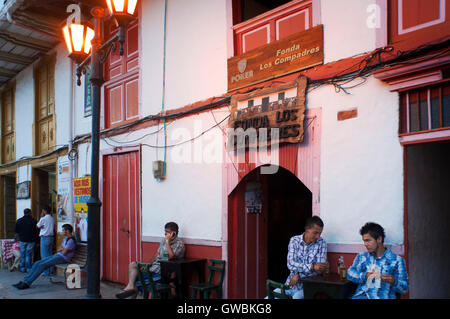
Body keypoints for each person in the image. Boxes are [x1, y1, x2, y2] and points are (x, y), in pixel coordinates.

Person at [115, 222, 186, 299]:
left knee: (136, 281)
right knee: (133, 265)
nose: (165, 234)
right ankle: (130, 285)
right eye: (165, 232)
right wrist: (147, 265)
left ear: (174, 233)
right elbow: (157, 254)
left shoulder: (179, 244)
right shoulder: (163, 241)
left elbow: (171, 256)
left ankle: (131, 287)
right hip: (152, 268)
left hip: (160, 273)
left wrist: (168, 242)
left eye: (167, 232)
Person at [347, 222, 409, 299]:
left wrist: (394, 281)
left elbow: (405, 289)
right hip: (360, 296)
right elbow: (350, 273)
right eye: (364, 241)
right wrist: (365, 275)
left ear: (379, 239)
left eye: (368, 240)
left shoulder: (397, 260)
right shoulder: (362, 256)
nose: (365, 244)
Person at [272, 216, 328, 299]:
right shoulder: (294, 241)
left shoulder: (322, 243)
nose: (318, 236)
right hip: (290, 285)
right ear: (307, 229)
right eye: (315, 233)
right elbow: (290, 264)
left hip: (307, 288)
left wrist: (298, 274)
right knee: (270, 296)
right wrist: (312, 266)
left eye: (320, 233)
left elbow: (319, 269)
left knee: (296, 298)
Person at [13, 224, 76, 290]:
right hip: (58, 255)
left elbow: (64, 252)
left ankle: (27, 283)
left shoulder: (71, 241)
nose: (62, 231)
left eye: (63, 230)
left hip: (63, 258)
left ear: (67, 231)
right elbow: (59, 249)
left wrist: (62, 249)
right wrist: (63, 249)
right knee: (37, 263)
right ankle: (24, 280)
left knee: (42, 265)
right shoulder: (66, 239)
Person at [14, 208, 38, 273]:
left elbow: (16, 231)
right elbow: (36, 231)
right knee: (28, 254)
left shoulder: (19, 221)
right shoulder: (33, 221)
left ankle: (22, 268)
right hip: (31, 240)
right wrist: (37, 241)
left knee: (22, 253)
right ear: (30, 213)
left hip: (22, 240)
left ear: (24, 213)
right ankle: (28, 268)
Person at [36, 205, 55, 275]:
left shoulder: (43, 218)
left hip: (44, 237)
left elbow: (37, 226)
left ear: (45, 211)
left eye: (43, 211)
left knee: (44, 255)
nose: (42, 212)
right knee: (49, 255)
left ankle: (46, 271)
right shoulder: (52, 218)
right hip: (51, 237)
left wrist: (41, 216)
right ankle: (51, 269)